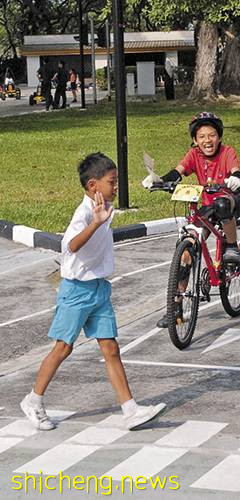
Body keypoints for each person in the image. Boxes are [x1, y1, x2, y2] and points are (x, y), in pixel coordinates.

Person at [20, 153, 166, 432]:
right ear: (92, 186)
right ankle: (33, 400)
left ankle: (130, 409)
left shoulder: (103, 207)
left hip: (99, 289)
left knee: (110, 347)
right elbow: (71, 245)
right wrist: (96, 223)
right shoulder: (86, 213)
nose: (116, 187)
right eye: (112, 182)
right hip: (76, 291)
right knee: (63, 347)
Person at [153, 112, 240, 328]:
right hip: (207, 207)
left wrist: (235, 180)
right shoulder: (193, 155)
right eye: (202, 136)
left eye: (212, 135)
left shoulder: (227, 152)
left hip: (230, 200)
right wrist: (158, 181)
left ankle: (231, 247)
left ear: (219, 137)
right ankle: (175, 307)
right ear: (195, 140)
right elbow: (178, 172)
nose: (207, 140)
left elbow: (236, 171)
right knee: (186, 252)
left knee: (222, 205)